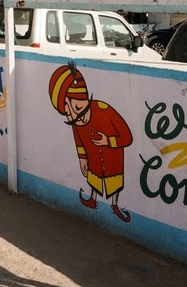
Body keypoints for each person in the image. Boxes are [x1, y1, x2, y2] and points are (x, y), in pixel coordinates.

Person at [48, 60, 133, 221]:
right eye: (68, 113)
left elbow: (127, 137)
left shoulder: (104, 111)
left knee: (114, 184)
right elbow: (78, 140)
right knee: (94, 179)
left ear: (85, 99)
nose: (76, 117)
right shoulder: (76, 122)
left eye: (78, 108)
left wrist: (108, 141)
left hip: (113, 161)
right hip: (93, 159)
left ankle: (114, 205)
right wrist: (82, 158)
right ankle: (93, 199)